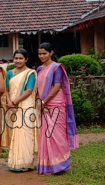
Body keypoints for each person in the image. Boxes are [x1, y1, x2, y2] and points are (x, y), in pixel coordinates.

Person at [36, 42, 79, 174]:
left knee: (57, 132)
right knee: (46, 134)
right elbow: (38, 88)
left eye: (44, 53)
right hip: (43, 103)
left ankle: (61, 164)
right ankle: (48, 165)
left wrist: (44, 101)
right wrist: (39, 102)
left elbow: (56, 86)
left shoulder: (56, 68)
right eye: (40, 54)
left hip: (55, 102)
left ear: (51, 53)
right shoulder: (39, 69)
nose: (42, 56)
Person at [5, 49, 38, 172]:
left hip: (26, 105)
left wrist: (15, 102)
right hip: (13, 106)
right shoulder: (9, 73)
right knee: (16, 133)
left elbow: (29, 91)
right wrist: (9, 103)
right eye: (16, 58)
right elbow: (7, 90)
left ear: (26, 59)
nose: (18, 61)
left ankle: (27, 162)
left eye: (20, 58)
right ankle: (16, 162)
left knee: (26, 133)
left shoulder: (30, 73)